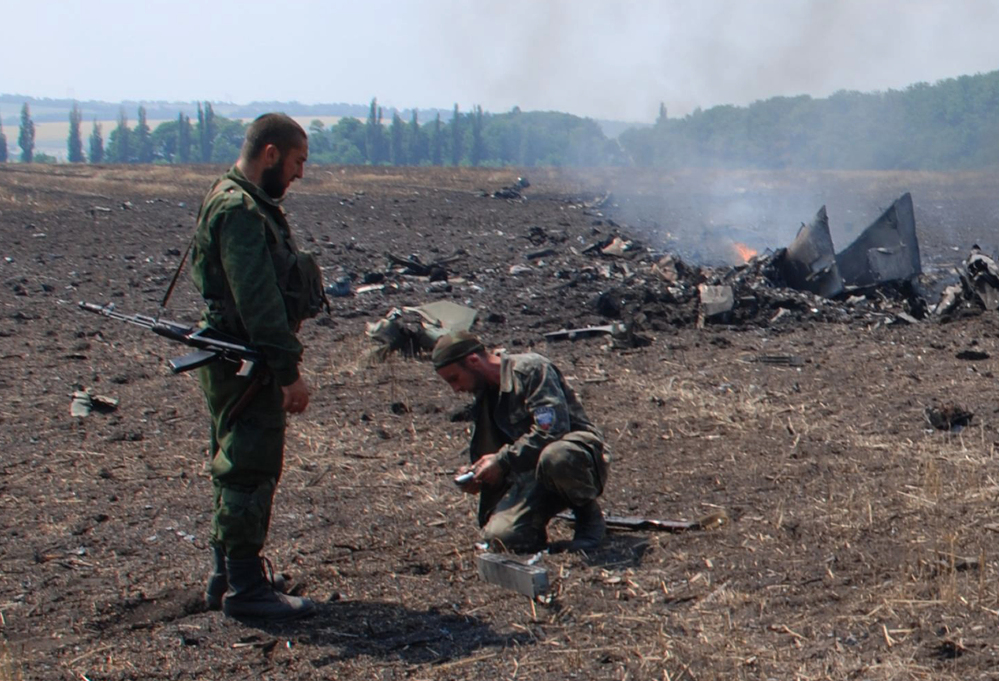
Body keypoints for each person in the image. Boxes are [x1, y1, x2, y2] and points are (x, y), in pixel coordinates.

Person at [191, 113, 326, 620]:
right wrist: (288, 370)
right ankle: (246, 590)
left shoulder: (234, 198)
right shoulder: (241, 210)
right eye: (296, 162)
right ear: (270, 153)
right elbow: (259, 301)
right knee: (249, 467)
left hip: (237, 356)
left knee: (233, 464)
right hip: (246, 360)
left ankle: (226, 577)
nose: (299, 174)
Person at [433, 332, 609, 553]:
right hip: (528, 471)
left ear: (473, 361)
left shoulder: (530, 370)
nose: (455, 389)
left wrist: (502, 461)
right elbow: (493, 449)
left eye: (454, 378)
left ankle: (589, 519)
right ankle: (533, 529)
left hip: (575, 459)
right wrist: (478, 472)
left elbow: (552, 431)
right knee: (501, 538)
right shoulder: (486, 394)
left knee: (556, 456)